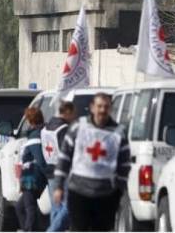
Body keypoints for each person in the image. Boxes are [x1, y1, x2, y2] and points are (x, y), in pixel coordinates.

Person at [53, 93, 130, 232]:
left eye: (106, 106)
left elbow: (124, 165)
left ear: (110, 109)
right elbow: (64, 157)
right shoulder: (78, 127)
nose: (102, 110)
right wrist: (58, 185)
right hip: (78, 192)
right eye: (99, 106)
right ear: (92, 107)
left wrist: (119, 190)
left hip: (106, 194)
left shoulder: (119, 132)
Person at [42, 101, 76, 232]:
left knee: (56, 209)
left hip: (50, 171)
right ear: (66, 112)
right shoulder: (63, 129)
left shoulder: (46, 128)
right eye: (73, 113)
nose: (74, 116)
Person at [15, 107, 49, 232]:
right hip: (29, 178)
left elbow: (39, 160)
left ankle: (29, 230)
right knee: (19, 208)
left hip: (32, 179)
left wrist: (48, 176)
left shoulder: (35, 136)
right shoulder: (38, 133)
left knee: (29, 209)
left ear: (31, 121)